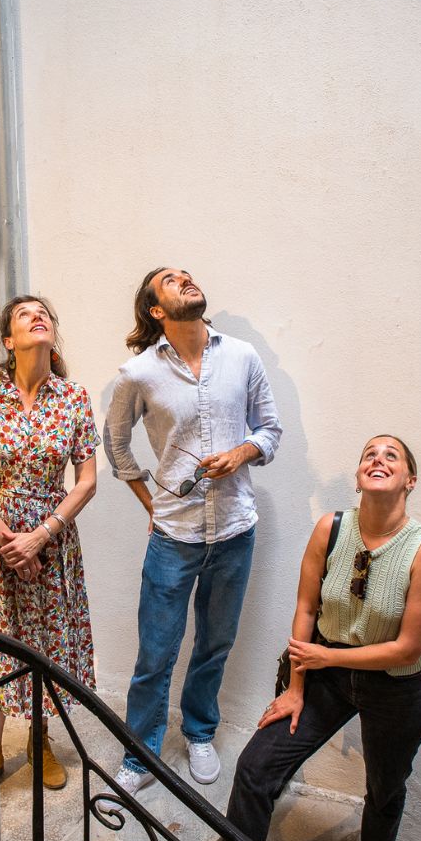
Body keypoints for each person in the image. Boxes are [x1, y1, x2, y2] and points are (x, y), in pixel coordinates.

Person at [222, 435, 421, 841]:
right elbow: (306, 609)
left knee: (384, 789)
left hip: (397, 687)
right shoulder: (331, 528)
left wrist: (328, 659)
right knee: (255, 766)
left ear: (410, 481)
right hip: (326, 671)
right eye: (369, 455)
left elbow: (407, 649)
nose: (378, 459)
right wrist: (295, 688)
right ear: (359, 478)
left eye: (391, 456)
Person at [103, 266, 283, 793]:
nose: (185, 279)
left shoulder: (243, 356)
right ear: (156, 310)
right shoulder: (138, 373)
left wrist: (241, 453)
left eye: (187, 274)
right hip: (173, 537)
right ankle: (141, 754)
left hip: (235, 530)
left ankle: (200, 732)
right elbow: (116, 445)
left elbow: (270, 429)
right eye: (170, 280)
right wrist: (150, 503)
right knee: (155, 653)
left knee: (214, 644)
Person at [0, 294, 100, 804]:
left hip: (53, 542)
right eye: (24, 314)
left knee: (46, 642)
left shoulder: (73, 397)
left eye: (44, 314)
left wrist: (42, 535)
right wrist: (8, 540)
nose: (38, 317)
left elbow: (87, 480)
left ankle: (40, 739)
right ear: (8, 340)